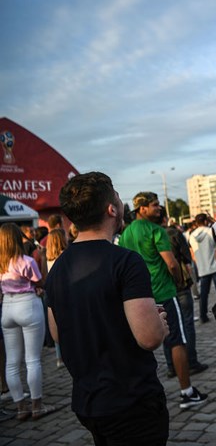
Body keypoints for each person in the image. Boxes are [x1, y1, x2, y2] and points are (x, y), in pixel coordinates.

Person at [45, 172, 169, 444]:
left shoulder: (57, 269)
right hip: (132, 400)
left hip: (88, 401)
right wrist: (159, 322)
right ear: (112, 209)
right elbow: (149, 338)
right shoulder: (126, 262)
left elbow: (57, 333)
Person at [119, 192, 208, 409]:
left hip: (139, 297)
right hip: (165, 292)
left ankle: (142, 396)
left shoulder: (126, 233)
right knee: (177, 341)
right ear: (142, 209)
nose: (159, 208)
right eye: (154, 205)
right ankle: (187, 392)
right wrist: (178, 280)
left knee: (142, 346)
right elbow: (171, 263)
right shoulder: (156, 230)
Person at [0, 223, 54, 420]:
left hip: (7, 307)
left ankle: (21, 408)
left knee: (12, 362)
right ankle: (37, 406)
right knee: (32, 360)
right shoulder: (26, 261)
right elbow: (41, 282)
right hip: (27, 304)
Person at [161, 209, 208, 378]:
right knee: (186, 322)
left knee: (166, 325)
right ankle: (191, 362)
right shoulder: (173, 233)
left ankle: (171, 366)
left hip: (160, 287)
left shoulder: (146, 235)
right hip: (179, 282)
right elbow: (186, 256)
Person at [189, 214, 216, 324]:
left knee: (204, 294)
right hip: (215, 266)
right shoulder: (210, 231)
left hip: (202, 268)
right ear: (205, 221)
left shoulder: (191, 236)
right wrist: (212, 220)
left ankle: (202, 315)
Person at [44, 229, 68, 368]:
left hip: (52, 292)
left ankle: (59, 358)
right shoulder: (65, 256)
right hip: (64, 292)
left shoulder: (48, 258)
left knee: (56, 326)